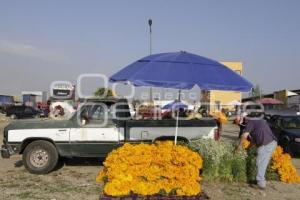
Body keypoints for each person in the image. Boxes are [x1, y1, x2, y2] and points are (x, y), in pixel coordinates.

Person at [235, 112, 277, 189]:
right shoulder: (257, 121)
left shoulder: (251, 121)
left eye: (244, 119)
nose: (244, 121)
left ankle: (261, 184)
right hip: (271, 143)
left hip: (266, 144)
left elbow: (244, 135)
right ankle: (260, 180)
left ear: (246, 118)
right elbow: (253, 140)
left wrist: (238, 148)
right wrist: (248, 148)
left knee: (260, 163)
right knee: (262, 162)